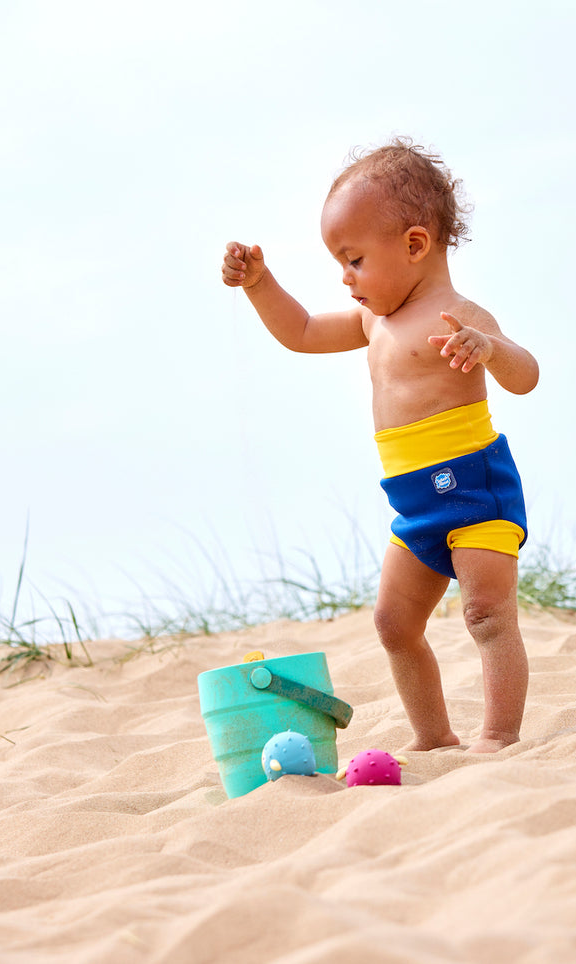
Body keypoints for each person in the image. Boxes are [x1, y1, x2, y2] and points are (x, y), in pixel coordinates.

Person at [221, 138, 539, 753]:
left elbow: (526, 375)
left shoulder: (459, 315)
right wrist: (260, 284)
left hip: (475, 487)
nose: (345, 277)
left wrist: (490, 349)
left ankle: (499, 735)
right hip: (415, 504)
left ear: (415, 245)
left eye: (356, 260)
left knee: (487, 615)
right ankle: (434, 736)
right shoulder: (373, 321)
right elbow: (304, 332)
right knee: (394, 624)